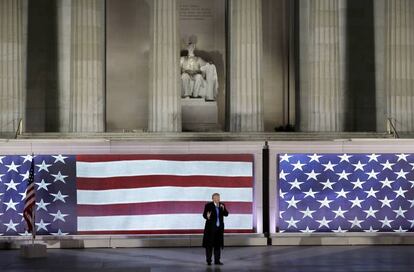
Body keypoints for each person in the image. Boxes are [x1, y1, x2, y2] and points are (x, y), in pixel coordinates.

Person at [202, 193, 229, 266]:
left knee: (217, 245)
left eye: (219, 198)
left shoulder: (222, 205)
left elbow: (226, 214)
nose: (218, 199)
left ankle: (217, 260)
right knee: (209, 245)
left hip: (219, 229)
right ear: (213, 199)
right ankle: (209, 260)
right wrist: (207, 216)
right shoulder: (208, 205)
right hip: (210, 229)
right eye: (216, 198)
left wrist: (223, 209)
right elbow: (204, 215)